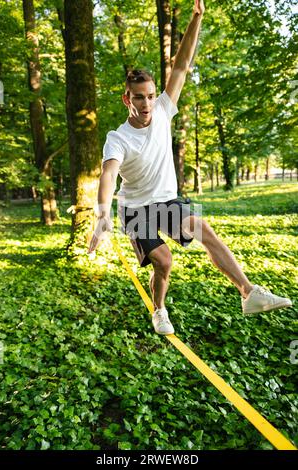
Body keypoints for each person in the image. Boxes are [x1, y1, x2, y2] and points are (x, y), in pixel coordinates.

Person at [88, 0, 292, 335]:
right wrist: (101, 214)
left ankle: (248, 292)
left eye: (151, 95)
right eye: (139, 97)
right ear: (127, 99)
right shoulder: (118, 137)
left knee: (203, 228)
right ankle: (159, 310)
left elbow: (181, 67)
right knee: (164, 262)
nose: (147, 103)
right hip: (135, 209)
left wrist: (197, 18)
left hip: (166, 201)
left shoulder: (164, 111)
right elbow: (109, 173)